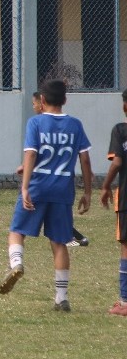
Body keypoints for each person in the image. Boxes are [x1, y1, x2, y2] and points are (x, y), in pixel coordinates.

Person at [0, 80, 92, 312]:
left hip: (38, 185)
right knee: (60, 242)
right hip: (62, 190)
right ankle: (61, 298)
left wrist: (25, 186)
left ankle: (17, 264)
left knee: (17, 231)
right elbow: (85, 160)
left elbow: (31, 155)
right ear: (65, 100)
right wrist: (88, 191)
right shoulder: (75, 125)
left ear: (41, 101)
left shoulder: (36, 122)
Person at [17, 92, 89, 247]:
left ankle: (70, 236)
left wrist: (26, 178)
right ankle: (70, 236)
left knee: (19, 229)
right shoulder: (72, 124)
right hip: (62, 186)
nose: (33, 106)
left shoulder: (39, 123)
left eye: (34, 103)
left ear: (42, 102)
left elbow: (35, 153)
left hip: (41, 184)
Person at [101, 89, 127, 316]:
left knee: (126, 246)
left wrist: (105, 185)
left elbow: (117, 162)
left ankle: (125, 302)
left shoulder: (120, 131)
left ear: (125, 106)